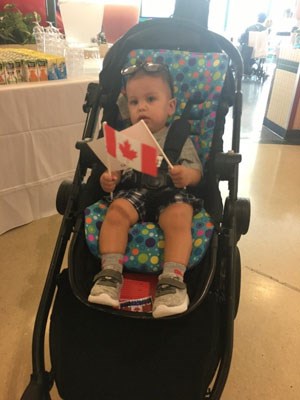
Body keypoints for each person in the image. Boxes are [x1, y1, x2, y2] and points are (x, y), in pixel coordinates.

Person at [88, 62, 203, 318]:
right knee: (116, 211)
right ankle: (109, 275)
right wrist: (108, 179)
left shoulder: (177, 136)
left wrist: (187, 175)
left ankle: (172, 280)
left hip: (169, 192)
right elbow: (114, 171)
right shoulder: (127, 137)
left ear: (170, 106)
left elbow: (197, 172)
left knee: (179, 217)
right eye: (133, 102)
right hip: (135, 190)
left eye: (151, 99)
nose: (141, 107)